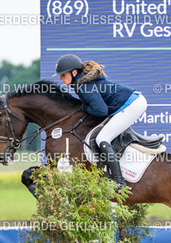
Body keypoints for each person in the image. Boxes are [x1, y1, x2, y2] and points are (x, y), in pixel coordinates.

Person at [53, 54, 146, 187]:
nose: (61, 78)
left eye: (63, 74)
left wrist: (85, 107)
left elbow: (101, 111)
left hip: (133, 104)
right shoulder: (83, 84)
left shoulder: (84, 86)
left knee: (102, 139)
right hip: (132, 102)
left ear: (74, 73)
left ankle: (119, 182)